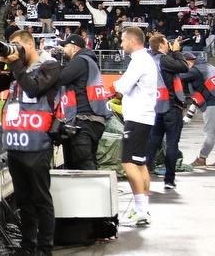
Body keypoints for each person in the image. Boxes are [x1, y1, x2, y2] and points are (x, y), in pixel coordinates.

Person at [0, 30, 60, 256]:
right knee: (24, 201)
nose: (13, 50)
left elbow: (33, 88)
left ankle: (44, 249)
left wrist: (16, 64)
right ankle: (28, 247)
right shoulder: (17, 69)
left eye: (17, 45)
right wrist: (1, 62)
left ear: (30, 45)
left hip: (38, 144)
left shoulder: (51, 66)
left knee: (41, 201)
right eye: (11, 45)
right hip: (16, 142)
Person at [112, 25, 158, 227]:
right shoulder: (145, 60)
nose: (121, 44)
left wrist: (117, 86)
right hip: (144, 117)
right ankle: (143, 208)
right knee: (140, 163)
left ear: (132, 41)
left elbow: (121, 86)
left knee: (128, 163)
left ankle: (140, 210)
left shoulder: (139, 61)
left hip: (138, 118)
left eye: (123, 41)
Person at [57, 34, 112, 170]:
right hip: (93, 118)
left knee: (83, 163)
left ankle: (95, 190)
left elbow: (60, 78)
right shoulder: (88, 60)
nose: (63, 49)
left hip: (84, 119)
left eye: (66, 46)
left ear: (75, 48)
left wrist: (47, 61)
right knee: (88, 161)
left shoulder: (79, 61)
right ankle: (98, 190)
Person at [144, 33, 188, 189]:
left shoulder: (150, 60)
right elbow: (183, 67)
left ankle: (145, 174)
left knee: (153, 141)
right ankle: (169, 179)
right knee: (171, 144)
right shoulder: (163, 59)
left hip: (156, 106)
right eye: (166, 43)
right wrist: (176, 51)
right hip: (171, 106)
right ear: (161, 45)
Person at [180, 52, 215, 168]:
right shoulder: (207, 66)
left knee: (209, 132)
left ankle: (202, 159)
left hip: (214, 102)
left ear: (188, 63)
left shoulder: (194, 70)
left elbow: (179, 77)